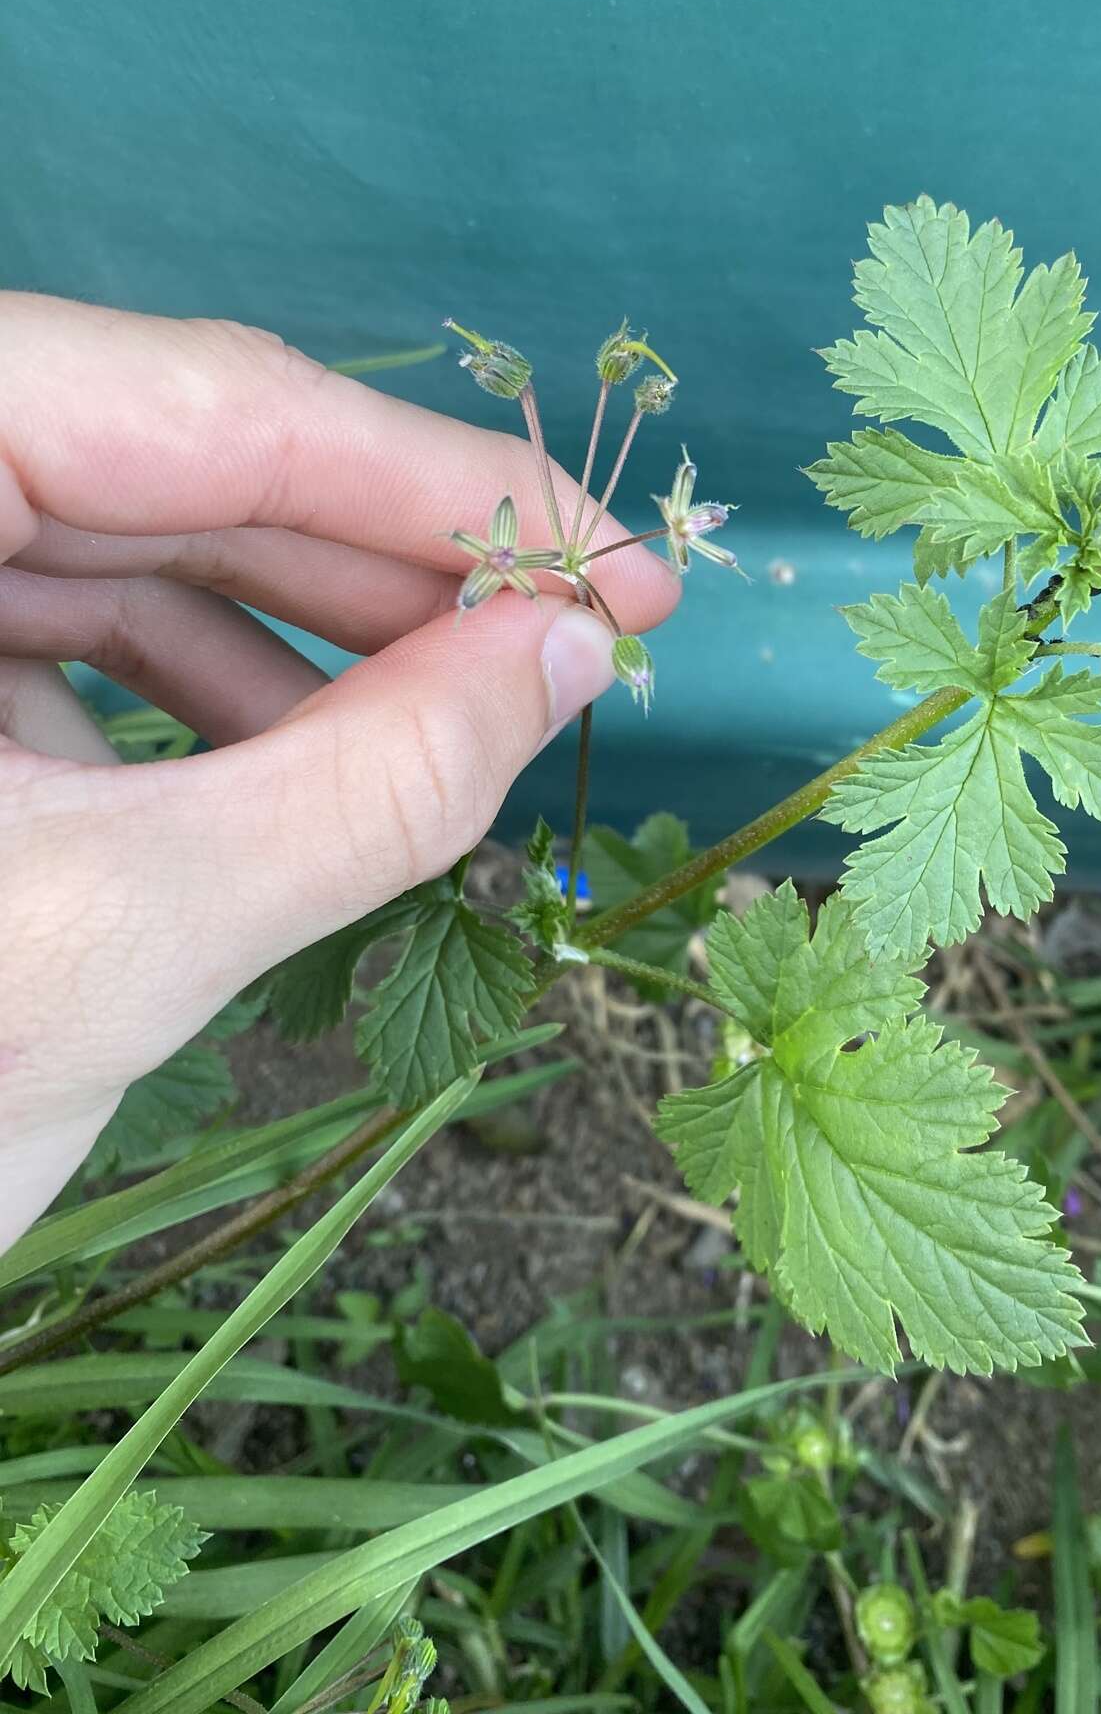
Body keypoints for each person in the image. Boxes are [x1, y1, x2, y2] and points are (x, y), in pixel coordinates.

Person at [0, 295, 679, 1248]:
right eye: (490, 557)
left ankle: (529, 930)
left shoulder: (505, 564)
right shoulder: (499, 572)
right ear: (494, 559)